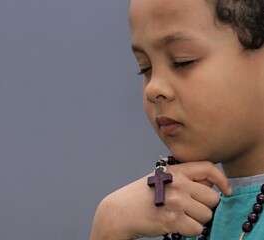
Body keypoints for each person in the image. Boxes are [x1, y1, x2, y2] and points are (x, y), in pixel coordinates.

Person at [90, 0, 264, 239]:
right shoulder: (188, 216)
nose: (153, 88)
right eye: (145, 67)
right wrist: (109, 226)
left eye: (183, 61)